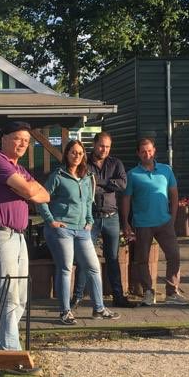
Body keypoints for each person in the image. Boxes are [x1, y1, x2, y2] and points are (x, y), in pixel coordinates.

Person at [0, 121, 50, 349]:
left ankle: (4, 344)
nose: (23, 144)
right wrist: (27, 189)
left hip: (19, 236)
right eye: (18, 138)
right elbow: (32, 191)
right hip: (2, 235)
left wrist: (26, 188)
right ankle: (11, 349)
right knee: (9, 293)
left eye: (27, 141)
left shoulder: (19, 169)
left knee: (20, 295)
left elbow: (45, 195)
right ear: (4, 138)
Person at [38, 139, 120, 324]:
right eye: (73, 152)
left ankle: (98, 308)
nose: (77, 156)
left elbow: (89, 202)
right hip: (62, 230)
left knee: (93, 267)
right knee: (66, 268)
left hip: (82, 229)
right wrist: (51, 221)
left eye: (80, 153)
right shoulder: (57, 176)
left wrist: (89, 220)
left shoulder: (87, 177)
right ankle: (65, 311)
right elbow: (40, 199)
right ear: (66, 154)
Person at [120, 136, 187, 306]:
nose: (146, 154)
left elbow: (174, 194)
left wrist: (172, 217)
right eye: (143, 151)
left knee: (174, 256)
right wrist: (126, 223)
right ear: (138, 153)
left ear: (154, 150)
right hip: (142, 224)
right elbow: (126, 199)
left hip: (164, 222)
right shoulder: (132, 174)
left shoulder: (166, 170)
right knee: (142, 260)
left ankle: (172, 292)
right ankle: (149, 292)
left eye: (149, 150)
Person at [71, 131, 133, 309]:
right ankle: (77, 297)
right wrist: (104, 184)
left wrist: (99, 182)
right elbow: (85, 186)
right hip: (90, 218)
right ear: (94, 144)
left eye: (107, 147)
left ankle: (118, 296)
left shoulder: (116, 163)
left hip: (112, 217)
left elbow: (122, 184)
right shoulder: (84, 162)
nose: (104, 149)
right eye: (101, 146)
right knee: (84, 258)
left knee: (113, 258)